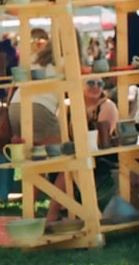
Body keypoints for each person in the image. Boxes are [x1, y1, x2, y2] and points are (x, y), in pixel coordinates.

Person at [45, 77, 119, 222]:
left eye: (100, 83)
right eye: (91, 83)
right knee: (63, 163)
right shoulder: (66, 106)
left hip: (103, 154)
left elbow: (102, 139)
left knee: (71, 166)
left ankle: (52, 215)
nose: (96, 87)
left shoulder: (106, 106)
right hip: (74, 153)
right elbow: (58, 134)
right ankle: (66, 211)